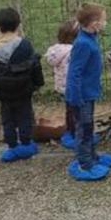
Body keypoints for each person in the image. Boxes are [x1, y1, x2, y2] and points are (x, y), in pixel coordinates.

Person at [0, 7, 44, 163]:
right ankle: (27, 144)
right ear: (18, 24)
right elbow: (34, 66)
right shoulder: (25, 46)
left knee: (7, 119)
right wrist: (38, 83)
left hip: (3, 94)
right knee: (25, 116)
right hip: (23, 91)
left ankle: (12, 146)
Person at [65, 2, 111, 181]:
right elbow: (74, 72)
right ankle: (84, 164)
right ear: (94, 23)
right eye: (103, 19)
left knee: (88, 128)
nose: (105, 22)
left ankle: (93, 157)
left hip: (88, 93)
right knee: (83, 129)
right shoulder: (83, 44)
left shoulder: (90, 38)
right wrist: (75, 97)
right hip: (81, 96)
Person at [46, 20, 79, 149]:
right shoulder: (73, 51)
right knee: (77, 112)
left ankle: (71, 132)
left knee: (69, 110)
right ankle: (76, 134)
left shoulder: (56, 51)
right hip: (73, 86)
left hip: (62, 88)